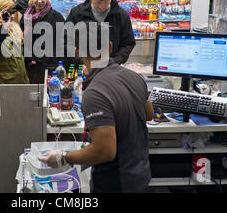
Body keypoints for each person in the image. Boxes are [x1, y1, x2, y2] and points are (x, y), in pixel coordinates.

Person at [39, 23, 154, 193]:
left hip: (116, 184)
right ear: (109, 47)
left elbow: (105, 151)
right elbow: (149, 114)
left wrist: (63, 157)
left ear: (77, 52)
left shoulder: (95, 92)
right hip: (140, 174)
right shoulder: (133, 77)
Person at [65, 0, 136, 65]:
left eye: (106, 2)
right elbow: (65, 41)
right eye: (98, 2)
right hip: (82, 68)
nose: (101, 6)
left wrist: (113, 63)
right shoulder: (77, 13)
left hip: (110, 69)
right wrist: (83, 62)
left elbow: (128, 44)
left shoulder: (121, 15)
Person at [20, 0, 65, 84]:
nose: (39, 1)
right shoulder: (26, 18)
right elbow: (22, 42)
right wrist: (28, 57)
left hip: (50, 69)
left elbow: (63, 44)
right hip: (31, 69)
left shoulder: (56, 17)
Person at [0, 0, 29, 84]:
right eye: (8, 13)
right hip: (3, 84)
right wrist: (4, 28)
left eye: (13, 12)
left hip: (20, 81)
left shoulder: (15, 28)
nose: (12, 16)